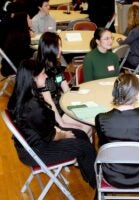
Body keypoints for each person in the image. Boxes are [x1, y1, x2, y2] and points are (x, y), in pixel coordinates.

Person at [7, 59, 97, 189]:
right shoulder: (32, 107)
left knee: (81, 134)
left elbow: (42, 128)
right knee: (85, 147)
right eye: (43, 74)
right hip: (37, 151)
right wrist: (65, 135)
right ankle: (97, 185)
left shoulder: (19, 97)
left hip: (30, 145)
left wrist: (62, 132)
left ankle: (89, 175)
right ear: (33, 78)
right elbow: (51, 136)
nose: (46, 76)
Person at [95, 73, 139, 188]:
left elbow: (102, 144)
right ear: (137, 95)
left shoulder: (101, 118)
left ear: (114, 93)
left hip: (112, 175)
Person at [36, 32, 93, 138]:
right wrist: (62, 124)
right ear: (49, 48)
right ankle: (82, 151)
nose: (61, 49)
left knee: (89, 126)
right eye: (58, 46)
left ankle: (84, 153)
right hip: (52, 116)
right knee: (85, 130)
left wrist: (81, 96)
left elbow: (66, 89)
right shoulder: (41, 74)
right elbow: (50, 104)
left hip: (61, 107)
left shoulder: (56, 66)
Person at [117, 5, 139, 71]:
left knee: (118, 56)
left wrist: (119, 40)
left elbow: (124, 43)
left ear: (131, 17)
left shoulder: (136, 30)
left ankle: (121, 76)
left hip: (136, 59)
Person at [0, 11, 35, 77]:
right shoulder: (21, 37)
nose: (31, 20)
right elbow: (25, 54)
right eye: (29, 18)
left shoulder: (15, 34)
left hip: (8, 66)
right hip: (14, 68)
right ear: (24, 22)